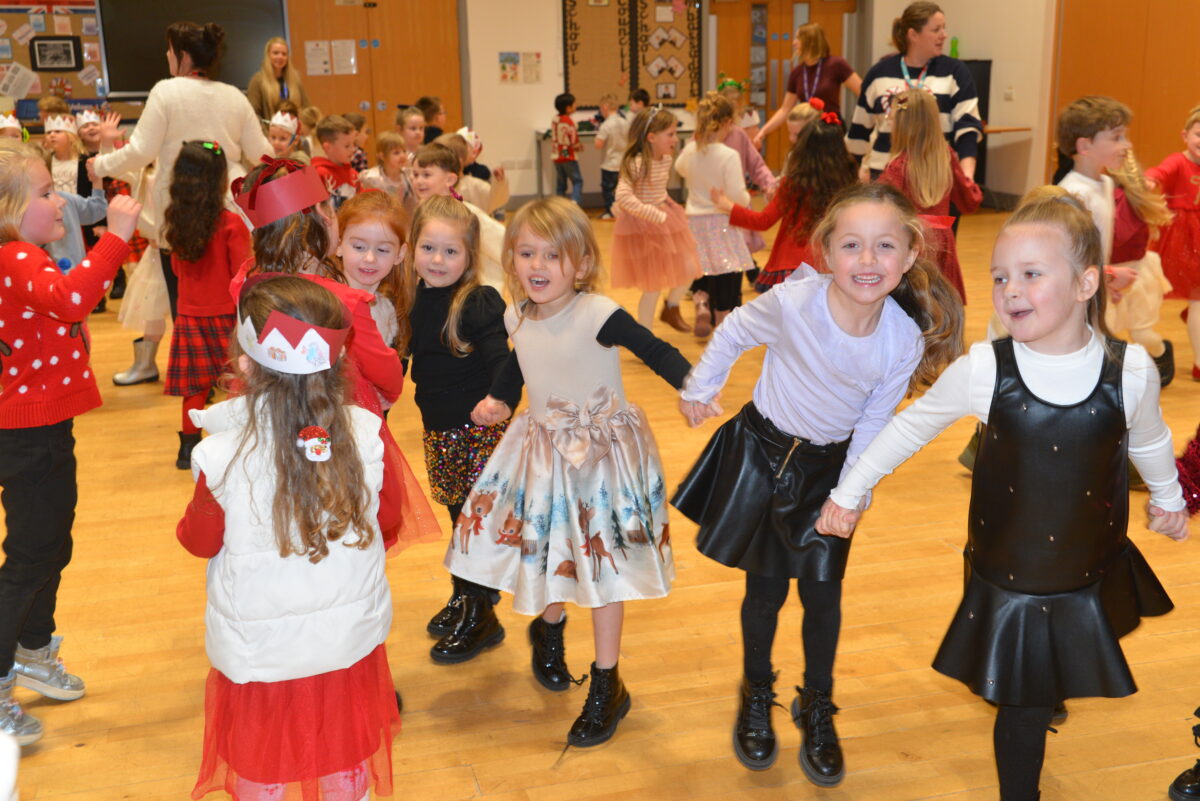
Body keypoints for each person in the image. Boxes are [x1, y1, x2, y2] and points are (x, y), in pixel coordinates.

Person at [819, 186, 1189, 801]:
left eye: (1031, 274)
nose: (1010, 290)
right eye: (1000, 277)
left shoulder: (1130, 371)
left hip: (1086, 564)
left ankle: (1044, 684)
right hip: (1012, 574)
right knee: (1022, 706)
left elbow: (1149, 437)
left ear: (1086, 283)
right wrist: (849, 491)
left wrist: (1169, 498)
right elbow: (911, 427)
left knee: (1045, 675)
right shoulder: (986, 369)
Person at [673, 182, 963, 785]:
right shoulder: (793, 303)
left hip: (829, 474)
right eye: (852, 245)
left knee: (823, 595)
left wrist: (849, 495)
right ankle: (757, 693)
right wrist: (702, 386)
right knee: (765, 591)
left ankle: (818, 702)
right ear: (827, 252)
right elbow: (734, 330)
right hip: (761, 456)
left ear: (910, 254)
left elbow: (874, 424)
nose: (867, 260)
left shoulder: (901, 338)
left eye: (885, 246)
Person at [447, 197, 689, 748]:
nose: (537, 265)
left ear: (581, 263)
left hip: (603, 459)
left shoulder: (598, 313)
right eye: (526, 253)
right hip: (542, 454)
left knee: (604, 571)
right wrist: (499, 399)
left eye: (552, 255)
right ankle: (549, 628)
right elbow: (519, 364)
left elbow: (655, 350)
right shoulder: (517, 315)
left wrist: (694, 387)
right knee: (548, 551)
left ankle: (607, 682)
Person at [179, 275, 400, 801]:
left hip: (262, 655)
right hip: (346, 644)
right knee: (344, 760)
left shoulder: (221, 455)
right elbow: (389, 516)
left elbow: (199, 540)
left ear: (245, 364)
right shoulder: (365, 435)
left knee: (264, 766)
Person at [0, 139, 140, 746]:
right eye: (45, 193)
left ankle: (32, 650)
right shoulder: (15, 256)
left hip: (42, 427)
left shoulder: (21, 255)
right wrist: (116, 238)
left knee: (50, 545)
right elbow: (73, 297)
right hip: (29, 434)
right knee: (32, 556)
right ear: (9, 209)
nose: (59, 201)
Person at [232, 156, 441, 551]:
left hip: (273, 415)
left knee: (291, 507)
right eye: (329, 210)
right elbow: (389, 377)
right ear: (319, 225)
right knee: (357, 512)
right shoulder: (343, 299)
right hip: (337, 420)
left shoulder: (248, 281)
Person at [387, 196, 520, 662]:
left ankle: (481, 618)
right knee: (456, 518)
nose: (438, 260)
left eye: (451, 251)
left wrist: (499, 399)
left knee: (472, 526)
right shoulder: (410, 300)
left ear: (469, 256)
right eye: (429, 248)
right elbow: (400, 362)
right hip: (439, 433)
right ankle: (467, 597)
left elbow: (504, 360)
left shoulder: (477, 302)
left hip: (478, 434)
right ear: (411, 249)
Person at [91, 21, 271, 321]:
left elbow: (141, 151)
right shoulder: (233, 95)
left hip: (182, 209)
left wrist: (100, 165)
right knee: (236, 296)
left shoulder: (166, 91)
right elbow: (263, 154)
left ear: (183, 56)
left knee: (185, 301)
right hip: (229, 206)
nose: (167, 55)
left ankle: (194, 347)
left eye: (170, 50)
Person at [1058, 95, 1174, 385]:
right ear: (1085, 146)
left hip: (1094, 293)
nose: (1128, 145)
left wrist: (1106, 283)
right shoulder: (1073, 193)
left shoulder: (1106, 183)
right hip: (1073, 302)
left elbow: (1096, 250)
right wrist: (1109, 275)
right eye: (1117, 137)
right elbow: (1067, 259)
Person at [163, 141, 250, 470]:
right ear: (220, 180)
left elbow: (176, 270)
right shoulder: (231, 224)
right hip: (226, 318)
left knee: (194, 388)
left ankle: (188, 449)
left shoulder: (176, 223)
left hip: (189, 316)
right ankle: (233, 441)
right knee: (235, 381)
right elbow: (240, 273)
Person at [712, 110, 857, 290]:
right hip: (831, 266)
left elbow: (763, 221)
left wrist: (729, 207)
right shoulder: (848, 182)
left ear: (804, 149)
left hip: (790, 267)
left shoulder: (793, 183)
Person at [846, 2, 982, 182]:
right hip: (885, 176)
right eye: (936, 29)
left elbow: (968, 127)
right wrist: (854, 177)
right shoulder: (879, 74)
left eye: (944, 28)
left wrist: (967, 176)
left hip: (936, 177)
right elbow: (859, 132)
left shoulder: (955, 72)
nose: (944, 35)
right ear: (913, 35)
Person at [878, 88, 982, 302]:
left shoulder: (897, 167)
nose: (890, 125)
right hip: (943, 242)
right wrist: (970, 182)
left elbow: (880, 210)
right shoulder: (946, 157)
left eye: (893, 119)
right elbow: (969, 202)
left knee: (914, 302)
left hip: (913, 242)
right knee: (941, 301)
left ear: (903, 126)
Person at [610, 108, 701, 332]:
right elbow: (623, 196)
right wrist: (653, 213)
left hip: (665, 220)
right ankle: (645, 336)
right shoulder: (637, 163)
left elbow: (657, 188)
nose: (675, 139)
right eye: (670, 134)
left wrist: (667, 203)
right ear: (651, 137)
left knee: (690, 267)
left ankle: (671, 307)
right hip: (643, 227)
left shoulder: (666, 159)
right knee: (653, 285)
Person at [676, 92, 756, 337]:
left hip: (694, 221)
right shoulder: (728, 155)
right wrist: (746, 200)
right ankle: (722, 316)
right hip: (721, 220)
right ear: (727, 123)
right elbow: (738, 195)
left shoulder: (691, 150)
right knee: (727, 270)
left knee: (702, 266)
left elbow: (679, 168)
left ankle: (701, 303)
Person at [1147, 104, 1200, 380]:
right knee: (1194, 296)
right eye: (1199, 134)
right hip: (1180, 238)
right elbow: (1160, 172)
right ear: (1185, 135)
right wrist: (1149, 180)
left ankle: (1192, 315)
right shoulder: (1178, 161)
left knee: (1198, 300)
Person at [409, 143, 505, 291]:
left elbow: (501, 240)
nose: (419, 181)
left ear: (450, 180)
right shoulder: (420, 211)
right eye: (415, 175)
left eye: (426, 175)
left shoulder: (466, 213)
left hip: (465, 289)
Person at [753, 22, 862, 150]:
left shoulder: (836, 64)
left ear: (810, 41)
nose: (793, 43)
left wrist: (861, 123)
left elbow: (863, 92)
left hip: (831, 132)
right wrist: (763, 132)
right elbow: (785, 109)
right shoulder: (797, 72)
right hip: (806, 132)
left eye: (798, 38)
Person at [245, 36, 310, 122]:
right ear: (268, 55)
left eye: (284, 54)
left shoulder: (295, 79)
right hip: (269, 129)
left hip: (294, 129)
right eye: (276, 53)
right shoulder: (258, 80)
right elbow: (253, 114)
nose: (280, 57)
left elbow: (306, 108)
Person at [311, 115, 362, 208]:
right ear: (328, 147)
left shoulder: (353, 174)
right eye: (347, 146)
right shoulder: (316, 173)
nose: (353, 149)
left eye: (354, 144)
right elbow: (290, 208)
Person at [595, 93, 630, 221]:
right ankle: (623, 211)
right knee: (623, 190)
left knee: (608, 190)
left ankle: (611, 212)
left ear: (605, 107)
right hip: (624, 163)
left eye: (600, 108)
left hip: (610, 164)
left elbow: (598, 144)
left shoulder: (606, 124)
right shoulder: (625, 122)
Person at [359, 131, 413, 205]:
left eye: (404, 151)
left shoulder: (410, 175)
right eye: (396, 153)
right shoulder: (370, 178)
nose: (402, 156)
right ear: (382, 156)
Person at [551, 93, 582, 205]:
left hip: (557, 155)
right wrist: (578, 146)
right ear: (568, 108)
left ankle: (559, 205)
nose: (576, 105)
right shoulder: (569, 121)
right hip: (567, 155)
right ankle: (574, 202)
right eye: (574, 104)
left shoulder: (555, 119)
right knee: (577, 181)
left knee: (561, 184)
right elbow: (573, 140)